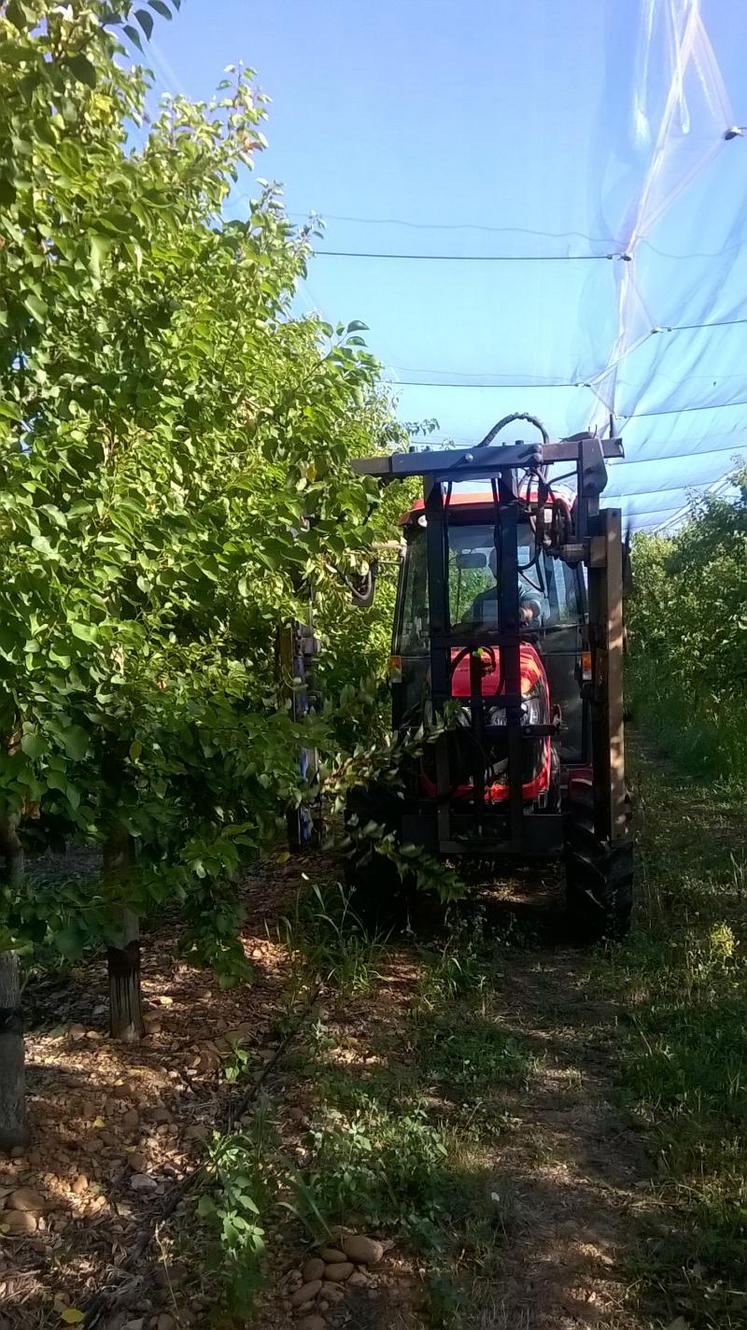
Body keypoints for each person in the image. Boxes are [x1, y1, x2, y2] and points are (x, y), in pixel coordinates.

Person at [469, 547, 543, 626]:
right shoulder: (482, 599)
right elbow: (470, 623)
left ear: (515, 564)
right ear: (491, 568)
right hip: (489, 638)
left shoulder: (528, 593)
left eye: (505, 562)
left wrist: (524, 613)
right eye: (496, 562)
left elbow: (532, 608)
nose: (502, 567)